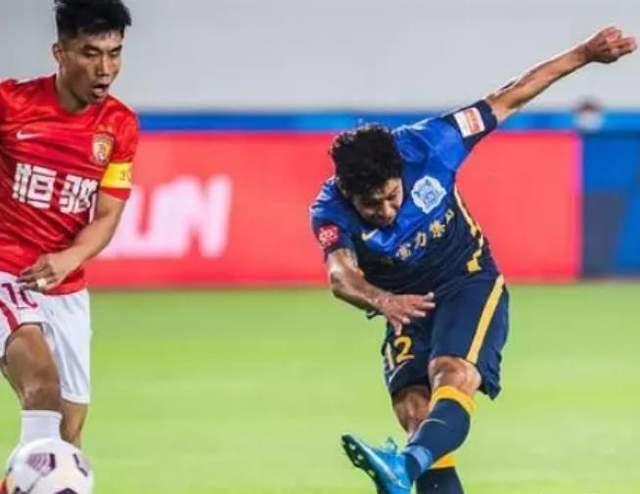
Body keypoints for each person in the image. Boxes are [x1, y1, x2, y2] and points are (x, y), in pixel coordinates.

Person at [310, 27, 636, 494]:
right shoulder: (329, 210)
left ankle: (404, 466)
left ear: (400, 170)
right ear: (347, 192)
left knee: (452, 374)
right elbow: (340, 275)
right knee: (415, 412)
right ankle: (408, 465)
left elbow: (510, 96)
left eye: (391, 196)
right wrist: (382, 301)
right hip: (403, 305)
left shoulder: (431, 144)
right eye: (371, 205)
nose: (385, 211)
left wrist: (585, 53)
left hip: (466, 280)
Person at [0, 0, 136, 454]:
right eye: (90, 53)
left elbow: (107, 215)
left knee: (67, 434)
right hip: (7, 273)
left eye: (114, 53)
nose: (105, 69)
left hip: (66, 287)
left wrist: (68, 258)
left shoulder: (120, 125)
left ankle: (26, 483)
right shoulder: (11, 104)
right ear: (60, 52)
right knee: (42, 388)